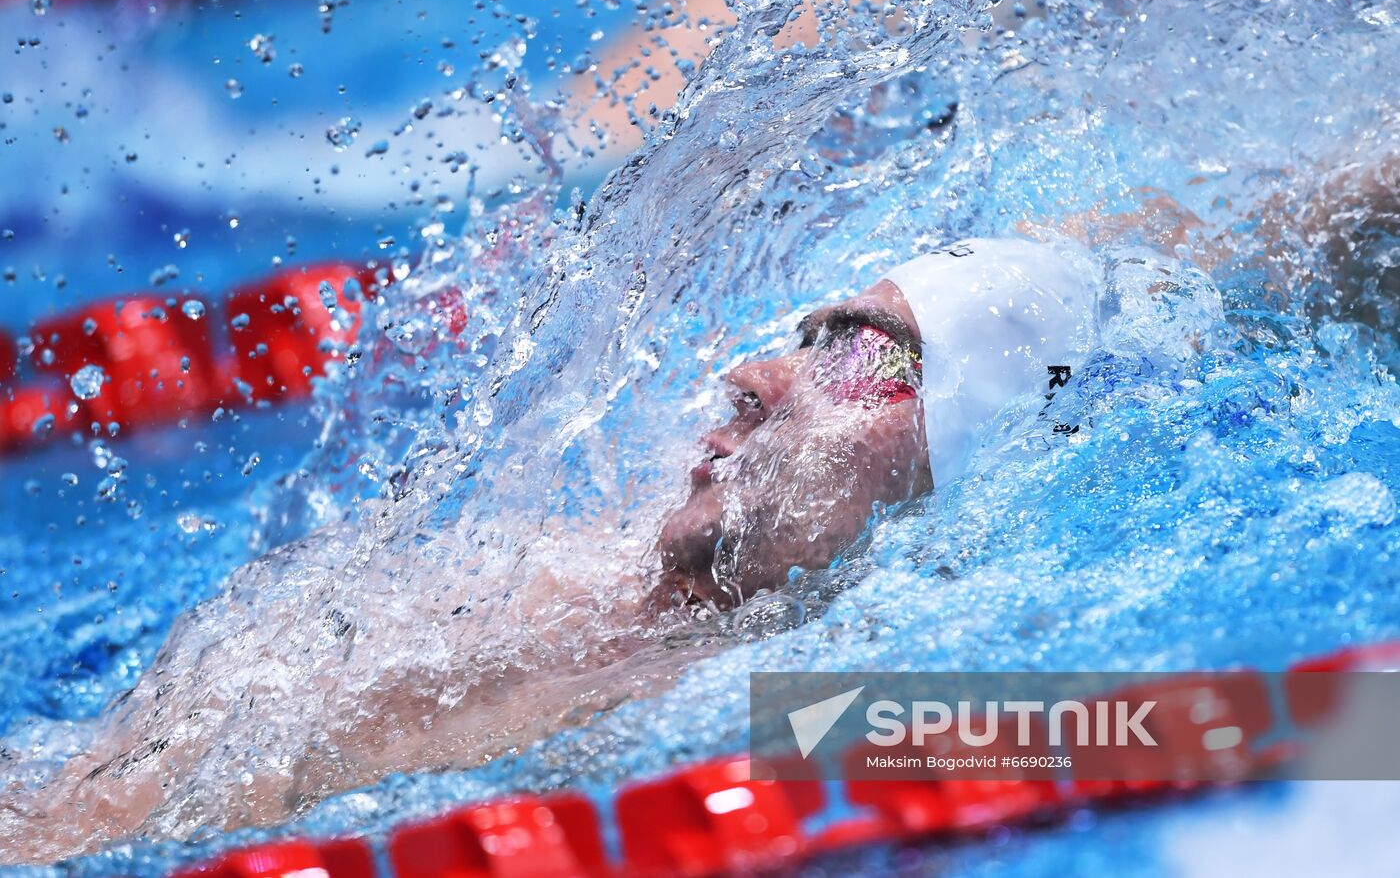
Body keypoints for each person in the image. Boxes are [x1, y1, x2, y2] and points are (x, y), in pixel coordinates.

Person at [1, 150, 1395, 863]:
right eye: (804, 332)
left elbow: (1313, 730)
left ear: (953, 487)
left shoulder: (827, 709)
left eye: (860, 357)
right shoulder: (552, 586)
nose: (749, 376)